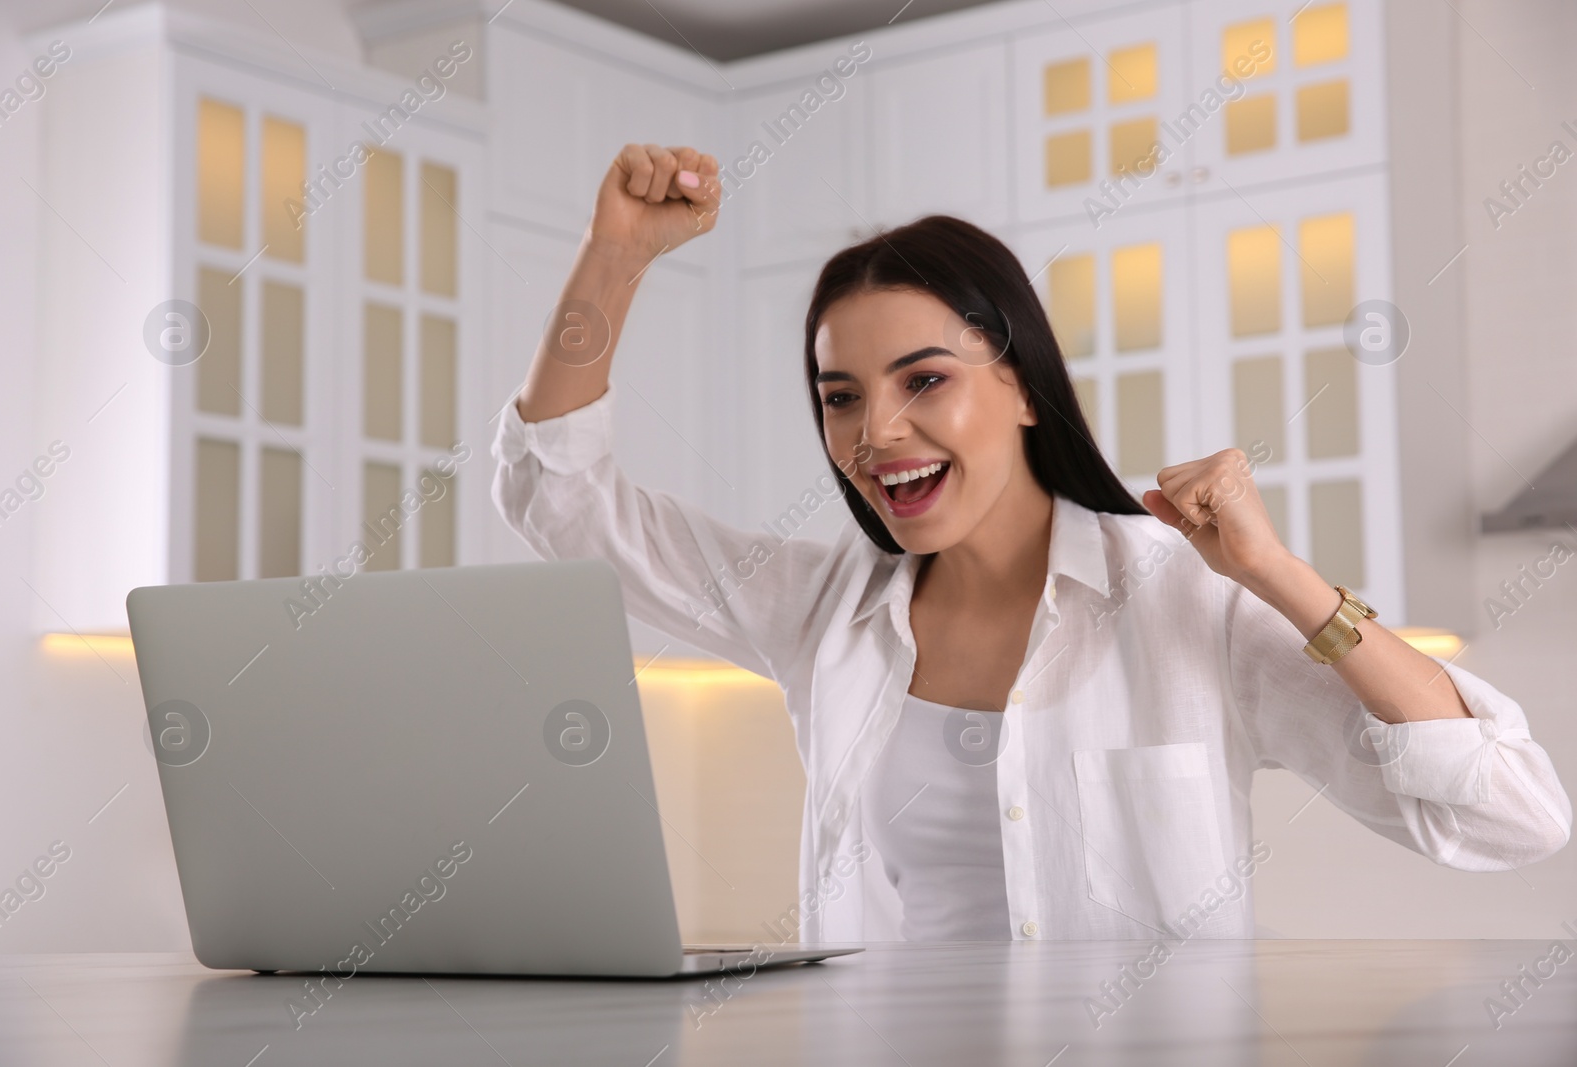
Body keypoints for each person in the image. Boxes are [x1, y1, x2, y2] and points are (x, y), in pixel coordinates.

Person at [491, 142, 1571, 943]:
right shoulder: (817, 610)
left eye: (925, 380)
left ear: (1016, 383)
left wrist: (1273, 575)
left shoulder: (1179, 600)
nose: (875, 434)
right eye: (839, 396)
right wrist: (615, 256)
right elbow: (560, 499)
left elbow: (1515, 813)